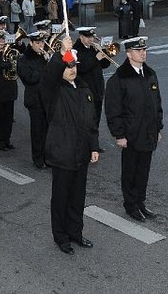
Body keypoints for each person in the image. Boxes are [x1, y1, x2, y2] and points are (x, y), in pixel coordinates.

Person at [40, 41, 100, 255]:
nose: (72, 69)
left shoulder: (84, 88)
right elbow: (50, 74)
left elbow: (90, 121)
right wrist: (62, 53)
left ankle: (76, 233)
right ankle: (61, 236)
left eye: (74, 65)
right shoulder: (53, 90)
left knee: (77, 197)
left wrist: (94, 146)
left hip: (81, 152)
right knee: (61, 198)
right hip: (62, 152)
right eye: (68, 66)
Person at [105, 36, 163, 222]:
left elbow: (157, 104)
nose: (143, 53)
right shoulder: (119, 79)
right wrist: (119, 135)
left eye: (144, 50)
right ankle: (130, 205)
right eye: (138, 51)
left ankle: (140, 203)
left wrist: (157, 127)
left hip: (148, 132)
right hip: (130, 135)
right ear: (129, 54)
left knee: (143, 171)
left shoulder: (150, 74)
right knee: (130, 171)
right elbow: (113, 111)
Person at [16, 31, 49, 169]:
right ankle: (38, 158)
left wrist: (50, 61)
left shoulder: (45, 57)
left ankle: (49, 156)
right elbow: (30, 78)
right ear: (31, 43)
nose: (41, 45)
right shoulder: (23, 59)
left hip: (48, 98)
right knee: (38, 131)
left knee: (49, 130)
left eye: (42, 42)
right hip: (34, 99)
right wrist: (46, 68)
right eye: (38, 43)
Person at [73, 27, 111, 132]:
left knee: (96, 119)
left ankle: (94, 145)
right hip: (85, 90)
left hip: (98, 89)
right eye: (88, 37)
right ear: (81, 37)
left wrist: (104, 52)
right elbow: (81, 68)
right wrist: (96, 58)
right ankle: (87, 145)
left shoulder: (93, 48)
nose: (91, 40)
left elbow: (105, 65)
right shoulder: (75, 50)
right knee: (87, 120)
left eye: (92, 37)